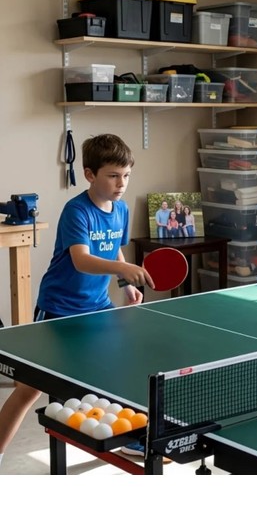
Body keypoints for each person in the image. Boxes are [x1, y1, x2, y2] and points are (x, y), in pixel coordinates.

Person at [0, 133, 155, 469]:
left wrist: (125, 283)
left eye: (126, 175)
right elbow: (81, 259)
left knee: (122, 369)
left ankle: (128, 438)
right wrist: (124, 269)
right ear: (89, 174)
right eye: (113, 175)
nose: (121, 184)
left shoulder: (121, 209)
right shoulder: (76, 210)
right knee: (29, 390)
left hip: (98, 306)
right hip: (59, 308)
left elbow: (113, 248)